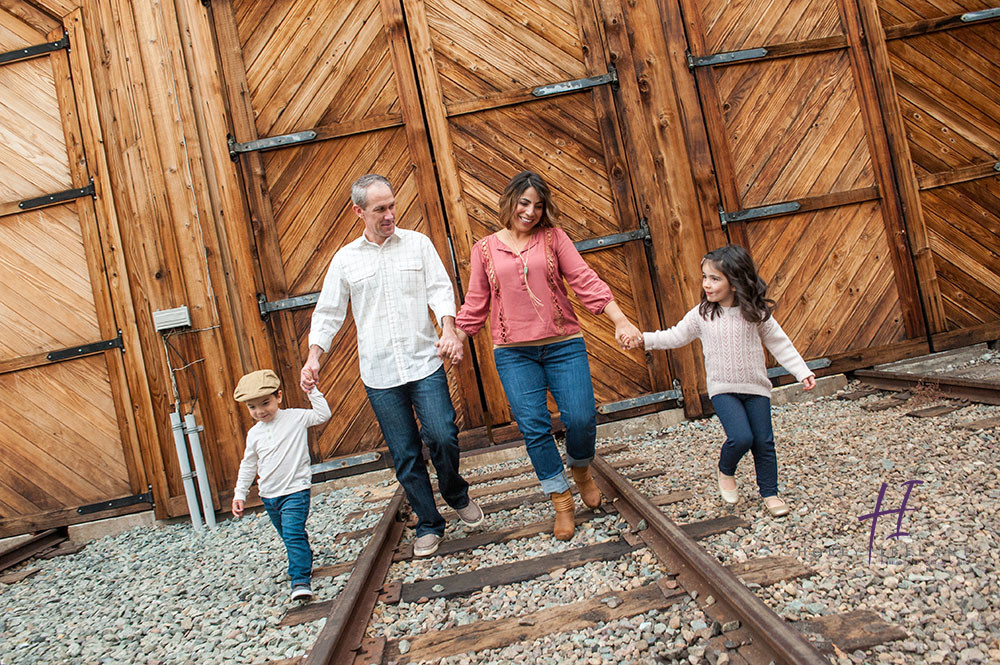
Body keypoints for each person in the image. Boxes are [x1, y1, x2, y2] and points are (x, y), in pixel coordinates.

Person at [299, 173, 483, 558]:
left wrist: (448, 330)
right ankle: (429, 523)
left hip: (422, 363)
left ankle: (454, 492)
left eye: (392, 205)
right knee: (405, 453)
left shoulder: (417, 244)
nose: (389, 214)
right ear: (359, 211)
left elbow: (439, 288)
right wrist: (314, 357)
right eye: (380, 209)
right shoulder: (346, 260)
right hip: (380, 374)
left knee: (443, 434)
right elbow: (329, 312)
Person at [454, 170, 641, 541]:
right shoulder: (485, 249)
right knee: (534, 427)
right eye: (524, 203)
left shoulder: (554, 238)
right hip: (513, 354)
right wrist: (456, 337)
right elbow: (476, 303)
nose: (530, 212)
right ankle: (561, 500)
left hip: (563, 344)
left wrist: (621, 321)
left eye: (538, 206)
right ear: (510, 201)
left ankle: (582, 470)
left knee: (583, 418)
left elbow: (585, 281)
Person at [627, 244, 816, 516]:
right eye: (704, 277)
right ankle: (726, 470)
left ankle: (770, 493)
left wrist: (802, 371)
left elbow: (780, 344)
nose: (707, 284)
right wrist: (644, 339)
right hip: (723, 390)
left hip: (756, 388)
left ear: (736, 282)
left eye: (715, 278)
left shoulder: (755, 313)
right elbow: (675, 336)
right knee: (740, 437)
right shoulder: (702, 314)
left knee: (763, 442)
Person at [231, 369, 331, 601]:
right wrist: (240, 494)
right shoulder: (254, 434)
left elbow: (322, 415)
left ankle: (300, 580)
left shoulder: (295, 417)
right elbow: (248, 465)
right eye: (252, 407)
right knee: (288, 535)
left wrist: (312, 390)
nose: (260, 411)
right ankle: (302, 559)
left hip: (295, 490)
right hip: (269, 496)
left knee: (294, 533)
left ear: (279, 396)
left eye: (265, 403)